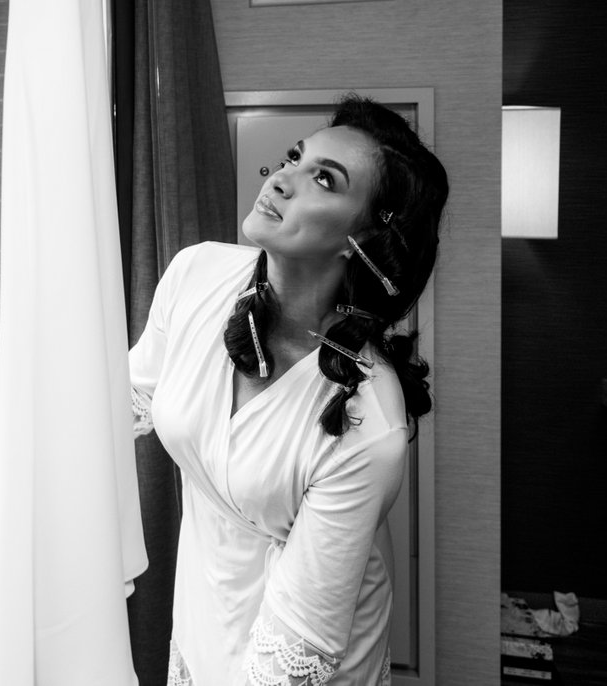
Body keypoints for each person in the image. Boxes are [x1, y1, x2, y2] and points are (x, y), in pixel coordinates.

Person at [128, 95, 449, 685]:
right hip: (206, 598)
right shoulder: (195, 274)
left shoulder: (368, 423)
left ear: (364, 242)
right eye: (294, 158)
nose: (281, 179)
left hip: (306, 645)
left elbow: (293, 650)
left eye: (322, 179)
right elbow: (131, 399)